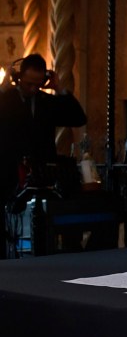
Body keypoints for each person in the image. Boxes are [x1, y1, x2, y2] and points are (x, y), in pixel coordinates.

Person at [0, 53, 87, 258]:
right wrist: (3, 88)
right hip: (8, 170)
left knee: (43, 224)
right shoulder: (7, 99)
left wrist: (60, 89)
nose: (33, 89)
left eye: (38, 84)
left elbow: (78, 118)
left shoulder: (47, 101)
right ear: (18, 77)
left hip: (41, 172)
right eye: (28, 83)